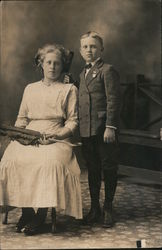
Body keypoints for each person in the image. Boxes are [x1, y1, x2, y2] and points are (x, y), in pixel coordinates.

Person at [0, 43, 82, 235]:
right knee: (11, 160)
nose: (52, 67)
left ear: (62, 66)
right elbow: (21, 119)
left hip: (56, 135)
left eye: (57, 63)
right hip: (29, 135)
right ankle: (27, 211)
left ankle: (41, 215)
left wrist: (58, 135)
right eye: (48, 62)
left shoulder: (69, 89)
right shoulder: (30, 88)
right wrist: (18, 136)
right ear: (41, 64)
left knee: (49, 164)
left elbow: (73, 122)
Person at [79, 31, 120, 227]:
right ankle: (94, 208)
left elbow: (113, 100)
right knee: (93, 170)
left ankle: (108, 208)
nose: (89, 50)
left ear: (101, 49)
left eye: (93, 46)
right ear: (80, 51)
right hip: (87, 130)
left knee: (109, 168)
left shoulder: (107, 70)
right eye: (85, 46)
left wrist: (110, 127)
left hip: (104, 130)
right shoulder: (82, 73)